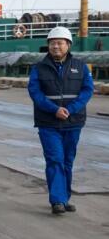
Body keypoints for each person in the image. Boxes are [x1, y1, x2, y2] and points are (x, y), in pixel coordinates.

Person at [27, 27, 94, 215]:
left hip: (73, 122)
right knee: (55, 159)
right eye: (52, 43)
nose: (55, 46)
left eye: (60, 43)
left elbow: (87, 90)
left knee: (67, 161)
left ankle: (64, 197)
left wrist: (70, 110)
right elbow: (35, 93)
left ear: (68, 45)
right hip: (48, 123)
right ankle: (57, 200)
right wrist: (54, 109)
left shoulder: (80, 66)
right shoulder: (38, 68)